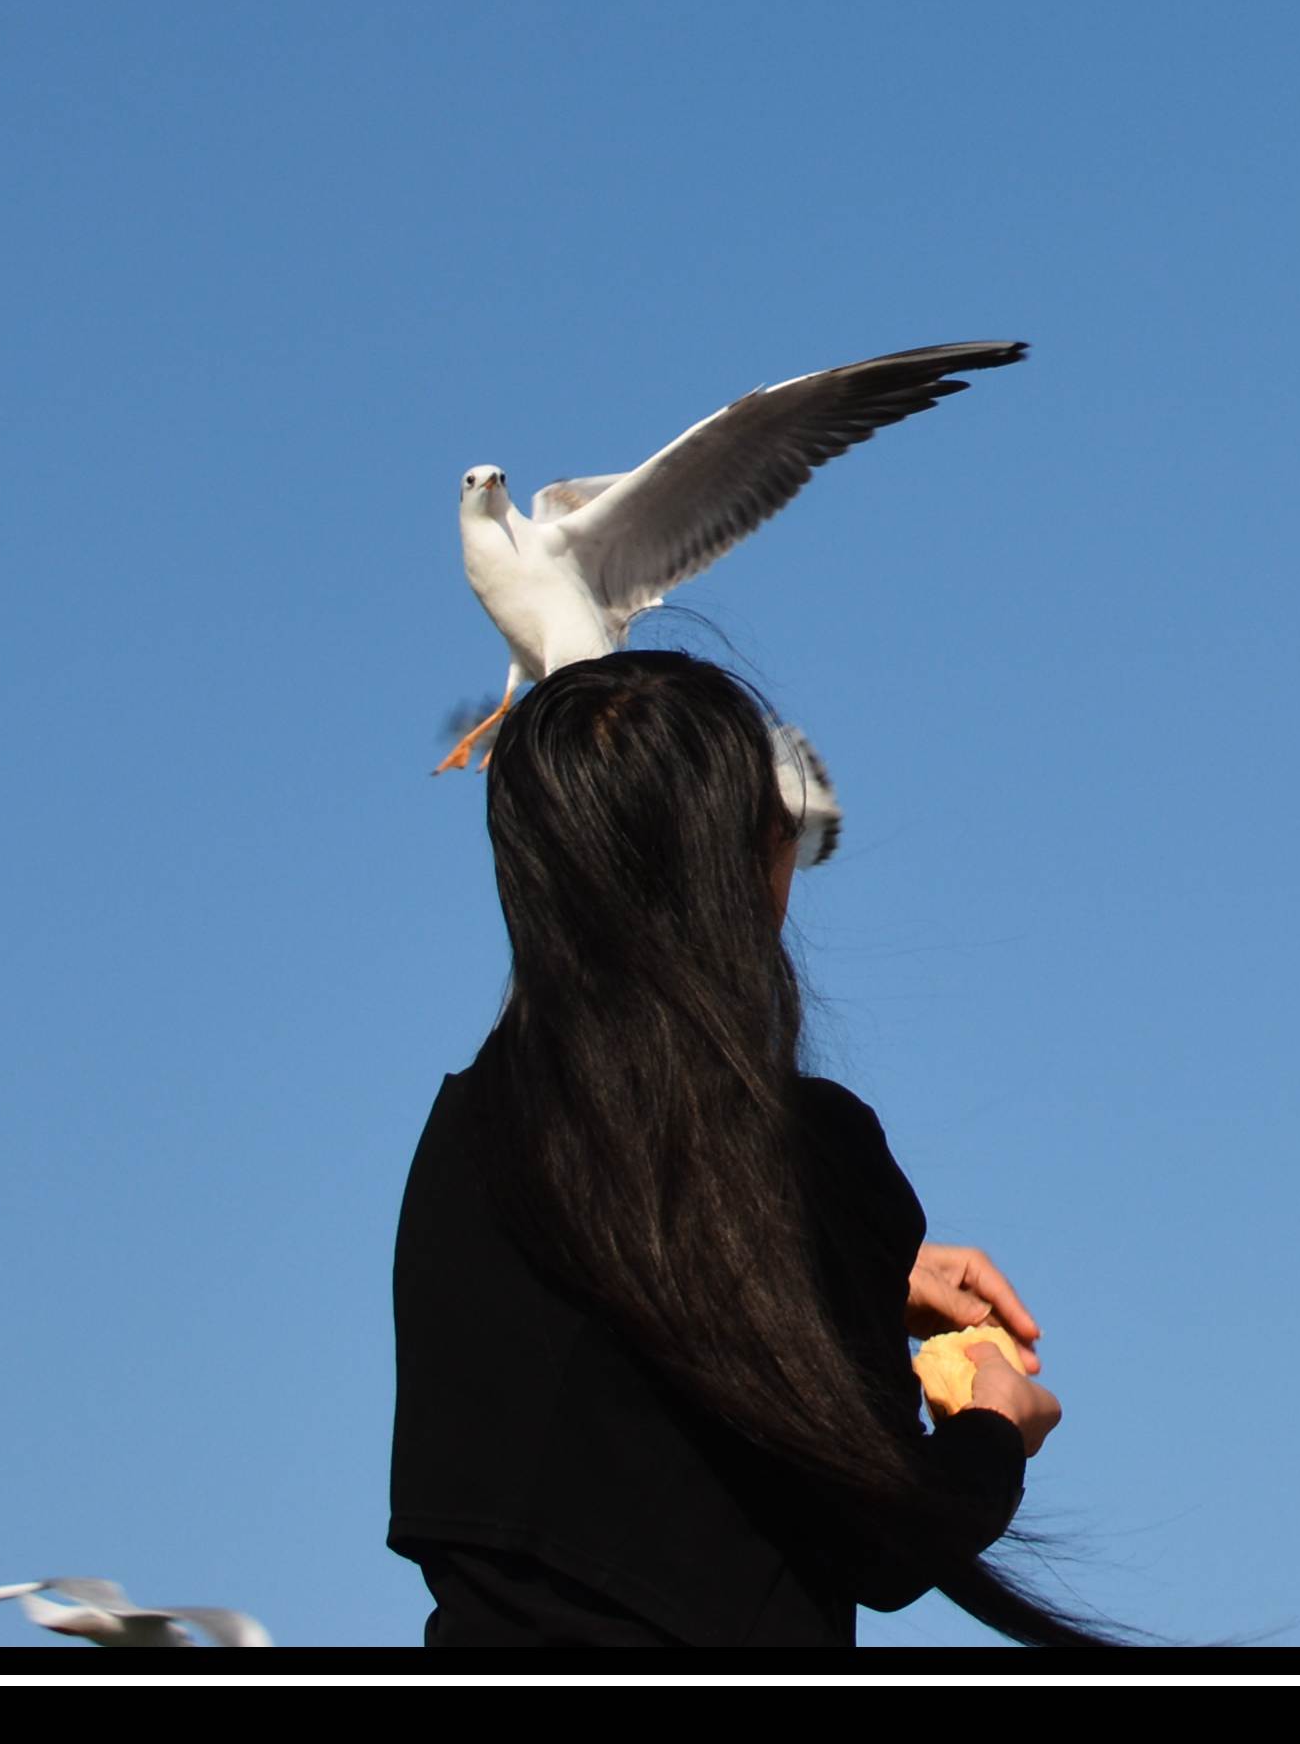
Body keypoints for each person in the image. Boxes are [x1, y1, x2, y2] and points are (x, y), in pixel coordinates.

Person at [387, 651, 1096, 1651]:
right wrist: (995, 1426)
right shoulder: (813, 1154)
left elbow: (607, 1337)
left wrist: (842, 1275)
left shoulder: (467, 1136)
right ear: (748, 867)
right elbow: (885, 1541)